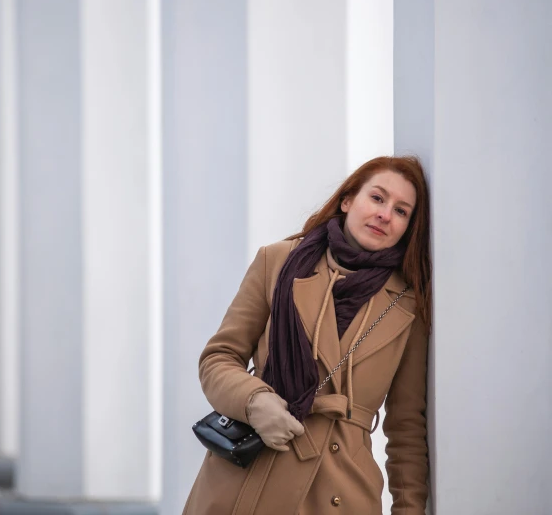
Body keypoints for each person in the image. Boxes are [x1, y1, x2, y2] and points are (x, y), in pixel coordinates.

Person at [183, 156, 431, 515]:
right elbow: (218, 358)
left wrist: (409, 510)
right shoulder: (278, 262)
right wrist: (254, 401)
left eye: (401, 211)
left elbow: (406, 427)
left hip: (342, 491)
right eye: (377, 198)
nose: (385, 214)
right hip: (252, 474)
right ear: (348, 201)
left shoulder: (407, 305)